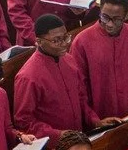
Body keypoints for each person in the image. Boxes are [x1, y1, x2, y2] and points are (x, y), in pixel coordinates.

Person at [68, 0, 128, 122]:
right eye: (105, 17)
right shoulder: (82, 42)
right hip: (100, 119)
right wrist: (93, 120)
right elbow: (78, 88)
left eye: (116, 19)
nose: (109, 24)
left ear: (126, 16)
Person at [13, 14, 97, 142]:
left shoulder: (69, 60)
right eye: (56, 40)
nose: (64, 44)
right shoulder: (27, 76)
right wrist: (57, 134)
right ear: (39, 42)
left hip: (78, 138)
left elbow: (81, 98)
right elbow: (24, 121)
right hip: (52, 146)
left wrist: (95, 121)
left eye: (65, 38)